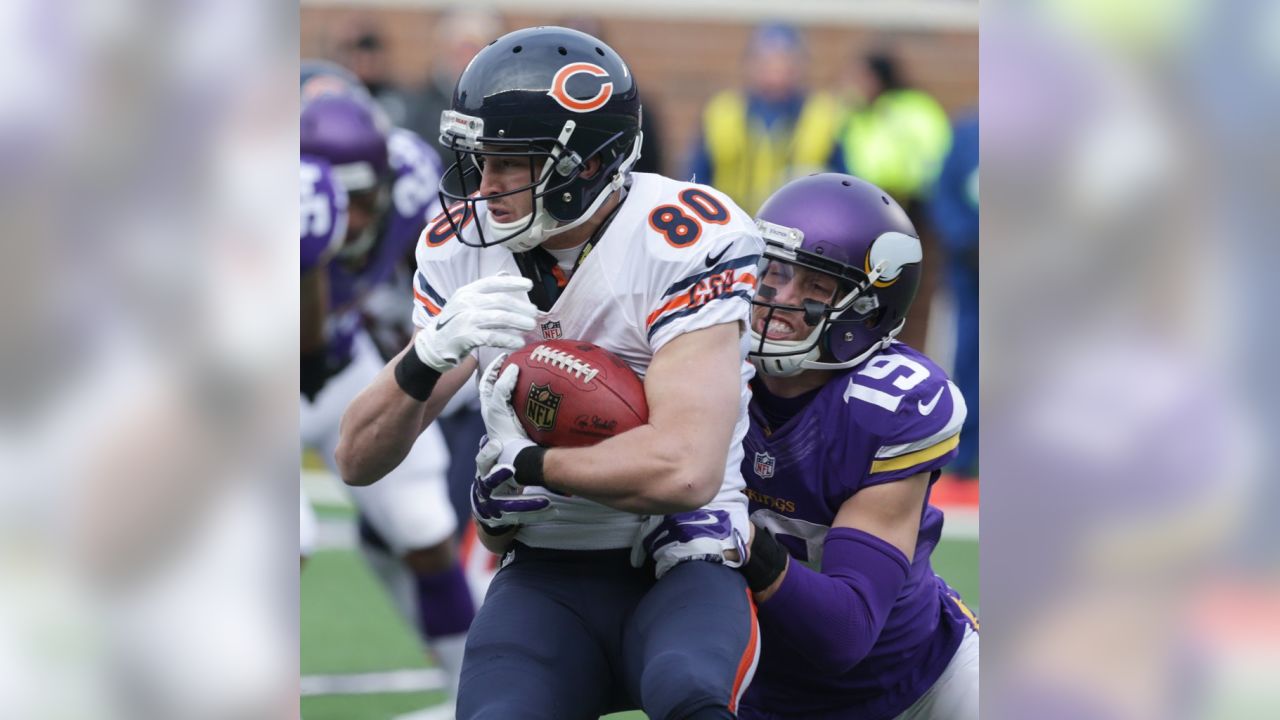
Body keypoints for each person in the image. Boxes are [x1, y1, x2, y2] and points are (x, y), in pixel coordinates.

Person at [336, 26, 762, 720]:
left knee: (690, 696)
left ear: (588, 165)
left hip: (685, 559)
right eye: (480, 160)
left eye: (512, 163)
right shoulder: (462, 249)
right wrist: (430, 354)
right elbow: (357, 457)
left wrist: (528, 465)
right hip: (548, 570)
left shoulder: (680, 238)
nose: (486, 186)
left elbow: (686, 470)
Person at [735, 174, 979, 720]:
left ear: (869, 309)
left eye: (815, 288)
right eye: (774, 274)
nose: (778, 301)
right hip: (761, 692)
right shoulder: (706, 365)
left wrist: (738, 535)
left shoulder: (887, 406)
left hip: (920, 681)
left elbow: (843, 634)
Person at [299, 93, 476, 713]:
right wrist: (305, 257)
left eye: (363, 201)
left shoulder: (409, 178)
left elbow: (439, 258)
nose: (353, 222)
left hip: (345, 363)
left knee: (423, 524)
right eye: (339, 206)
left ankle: (470, 693)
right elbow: (303, 344)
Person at [686, 23, 841, 212]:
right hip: (731, 225)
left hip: (798, 229)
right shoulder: (722, 111)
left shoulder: (822, 113)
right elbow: (695, 177)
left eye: (785, 60)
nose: (776, 69)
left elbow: (843, 184)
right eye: (767, 61)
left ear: (801, 65)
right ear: (750, 64)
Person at [929, 110, 979, 481]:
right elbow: (943, 193)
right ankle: (966, 454)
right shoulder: (966, 135)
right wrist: (966, 240)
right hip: (972, 269)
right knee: (970, 353)